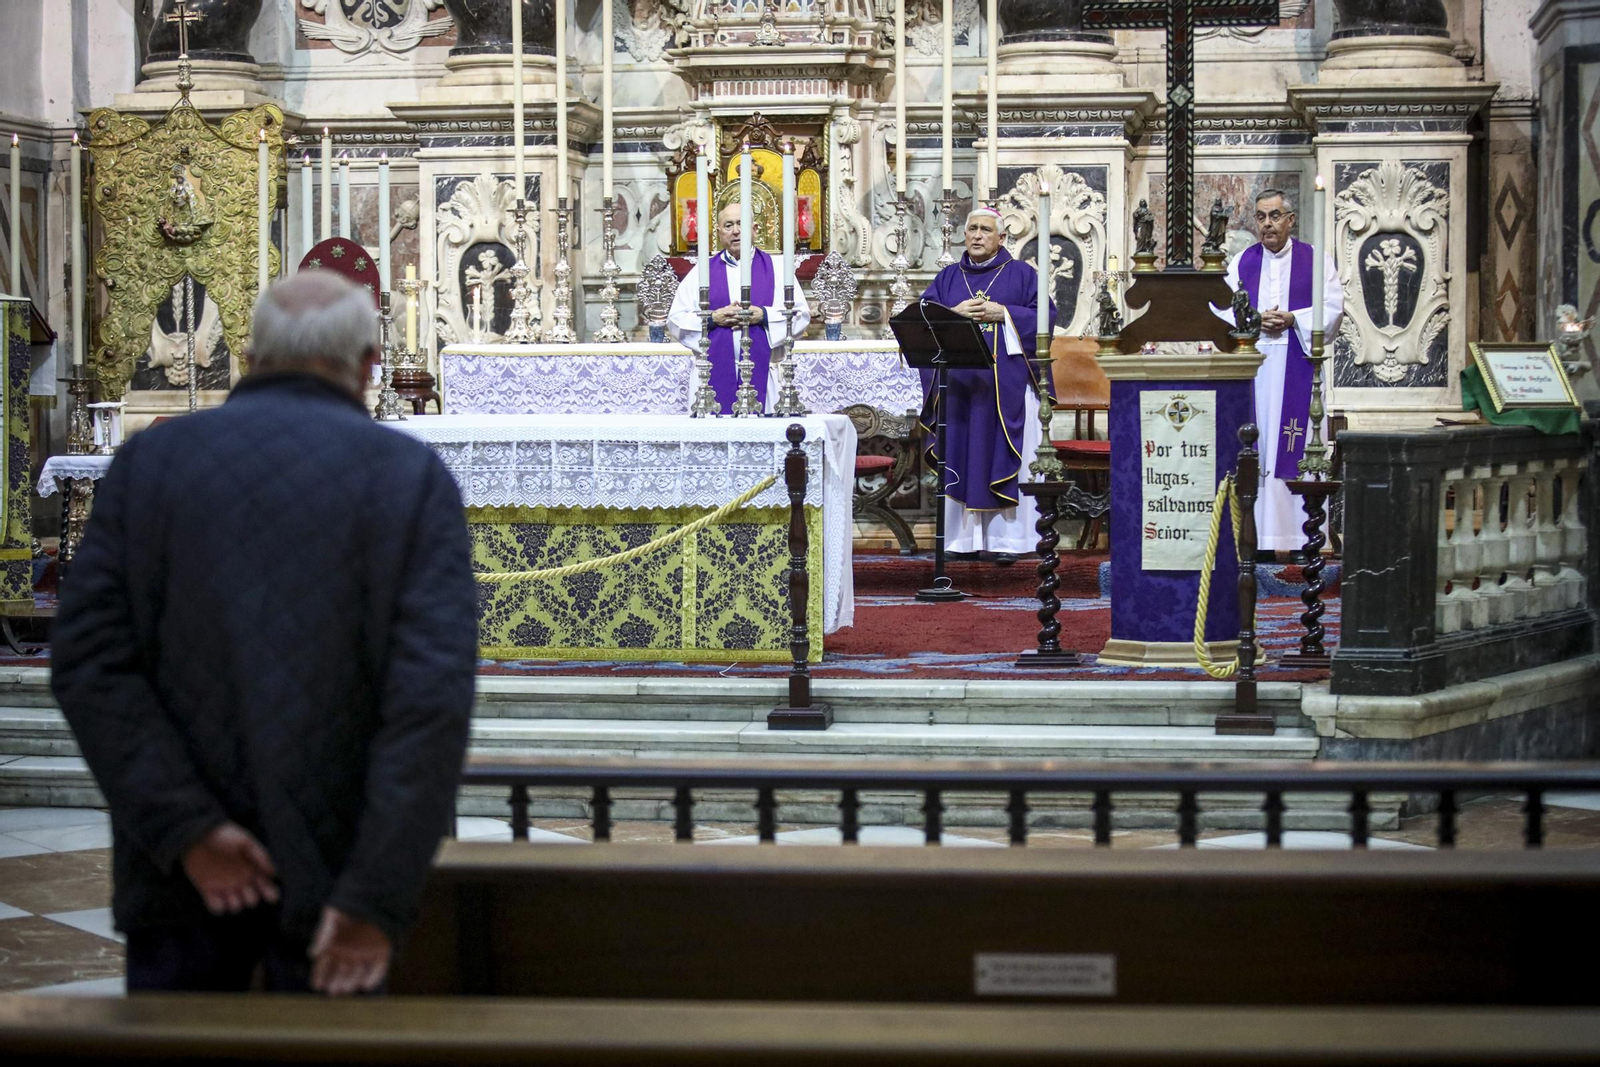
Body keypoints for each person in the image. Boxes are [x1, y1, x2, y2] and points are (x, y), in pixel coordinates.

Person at [51, 272, 479, 995]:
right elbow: (429, 703)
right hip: (341, 873)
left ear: (247, 358)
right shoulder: (410, 477)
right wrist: (374, 895)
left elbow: (88, 659)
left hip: (187, 882)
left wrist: (186, 828)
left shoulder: (150, 464)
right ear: (372, 364)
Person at [918, 206, 1058, 563]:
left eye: (985, 230)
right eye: (972, 229)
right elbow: (921, 318)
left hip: (1005, 387)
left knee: (1004, 456)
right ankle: (962, 541)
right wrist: (953, 316)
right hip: (960, 390)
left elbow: (1046, 319)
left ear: (1002, 237)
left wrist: (1005, 314)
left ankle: (1008, 541)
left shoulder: (1023, 275)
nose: (977, 235)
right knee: (961, 456)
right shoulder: (948, 278)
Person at [1214, 188, 1345, 555]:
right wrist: (1253, 319)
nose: (1267, 224)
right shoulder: (1242, 262)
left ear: (1290, 220)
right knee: (1256, 445)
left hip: (1296, 364)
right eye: (1261, 217)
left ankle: (1301, 536)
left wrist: (1292, 318)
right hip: (1255, 366)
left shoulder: (1316, 260)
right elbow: (1221, 311)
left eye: (1274, 216)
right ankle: (1254, 538)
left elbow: (1333, 307)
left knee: (1293, 445)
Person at [667, 200, 811, 411]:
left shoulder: (778, 268)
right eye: (728, 225)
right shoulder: (701, 272)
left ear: (754, 230)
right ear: (718, 231)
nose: (735, 231)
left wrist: (762, 315)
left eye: (741, 224)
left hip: (763, 372)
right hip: (710, 378)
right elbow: (676, 319)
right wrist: (712, 319)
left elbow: (800, 315)